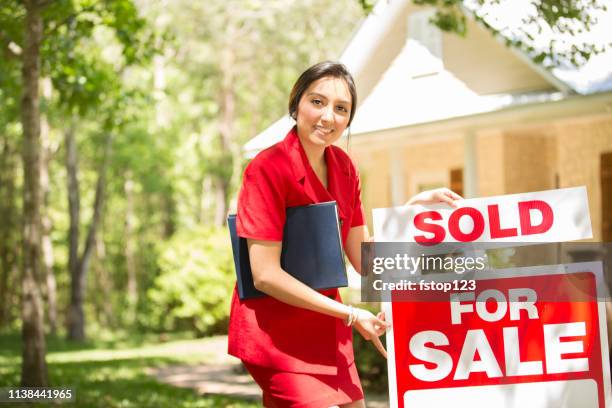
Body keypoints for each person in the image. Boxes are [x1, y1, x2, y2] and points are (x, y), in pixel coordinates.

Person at [228, 61, 462, 408]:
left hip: (327, 327)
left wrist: (408, 213)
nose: (328, 117)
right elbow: (265, 275)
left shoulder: (344, 167)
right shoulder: (267, 169)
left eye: (341, 109)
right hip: (276, 333)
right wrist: (352, 315)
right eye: (317, 102)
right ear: (296, 104)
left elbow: (364, 259)